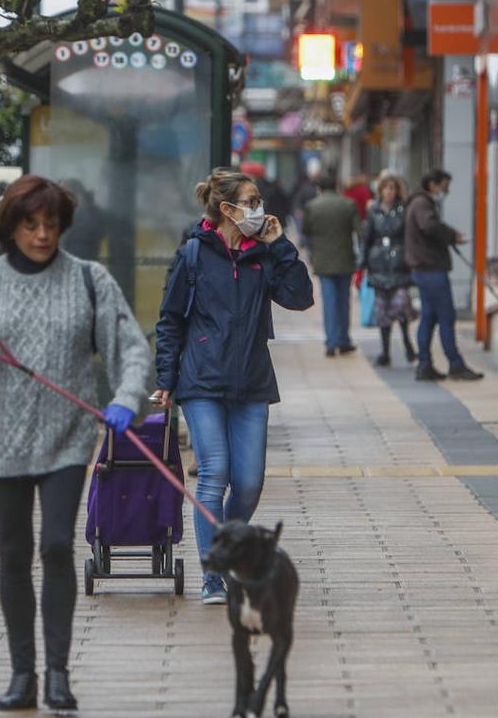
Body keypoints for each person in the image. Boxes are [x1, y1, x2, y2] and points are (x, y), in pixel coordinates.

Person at [0, 175, 153, 712]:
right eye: (31, 224)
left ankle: (57, 673)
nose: (42, 234)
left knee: (56, 545)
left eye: (51, 224)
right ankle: (21, 674)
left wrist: (127, 398)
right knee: (14, 552)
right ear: (12, 226)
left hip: (67, 436)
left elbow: (131, 348)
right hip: (1, 439)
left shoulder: (88, 279)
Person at [153, 170, 313, 603]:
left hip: (251, 380)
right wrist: (166, 379)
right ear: (227, 209)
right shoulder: (192, 255)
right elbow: (170, 321)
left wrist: (279, 245)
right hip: (201, 380)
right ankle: (213, 573)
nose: (259, 209)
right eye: (252, 201)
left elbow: (301, 297)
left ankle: (225, 542)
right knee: (214, 473)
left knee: (248, 483)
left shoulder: (264, 255)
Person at [404, 169, 483, 382]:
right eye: (444, 186)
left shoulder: (419, 203)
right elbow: (429, 226)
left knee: (429, 318)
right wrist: (450, 235)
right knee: (446, 316)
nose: (446, 191)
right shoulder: (422, 204)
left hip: (425, 269)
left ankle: (425, 364)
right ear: (433, 184)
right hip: (431, 270)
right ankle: (455, 364)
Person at [358, 172, 416, 366]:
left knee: (401, 305)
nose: (390, 192)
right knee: (382, 310)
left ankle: (408, 343)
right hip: (379, 264)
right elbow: (366, 238)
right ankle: (385, 351)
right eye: (387, 188)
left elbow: (408, 235)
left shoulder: (403, 209)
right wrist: (362, 263)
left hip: (399, 263)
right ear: (381, 190)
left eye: (393, 188)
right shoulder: (373, 210)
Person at [302, 171, 360, 357]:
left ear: (319, 188)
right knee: (344, 301)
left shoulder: (312, 206)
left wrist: (311, 253)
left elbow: (306, 232)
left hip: (323, 260)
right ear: (336, 187)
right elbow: (359, 230)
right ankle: (343, 340)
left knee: (329, 301)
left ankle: (331, 341)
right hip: (345, 258)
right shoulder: (348, 204)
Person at [241, 161, 291, 231]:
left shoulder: (261, 189)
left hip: (266, 226)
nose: (242, 175)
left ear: (252, 175)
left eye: (245, 173)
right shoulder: (271, 186)